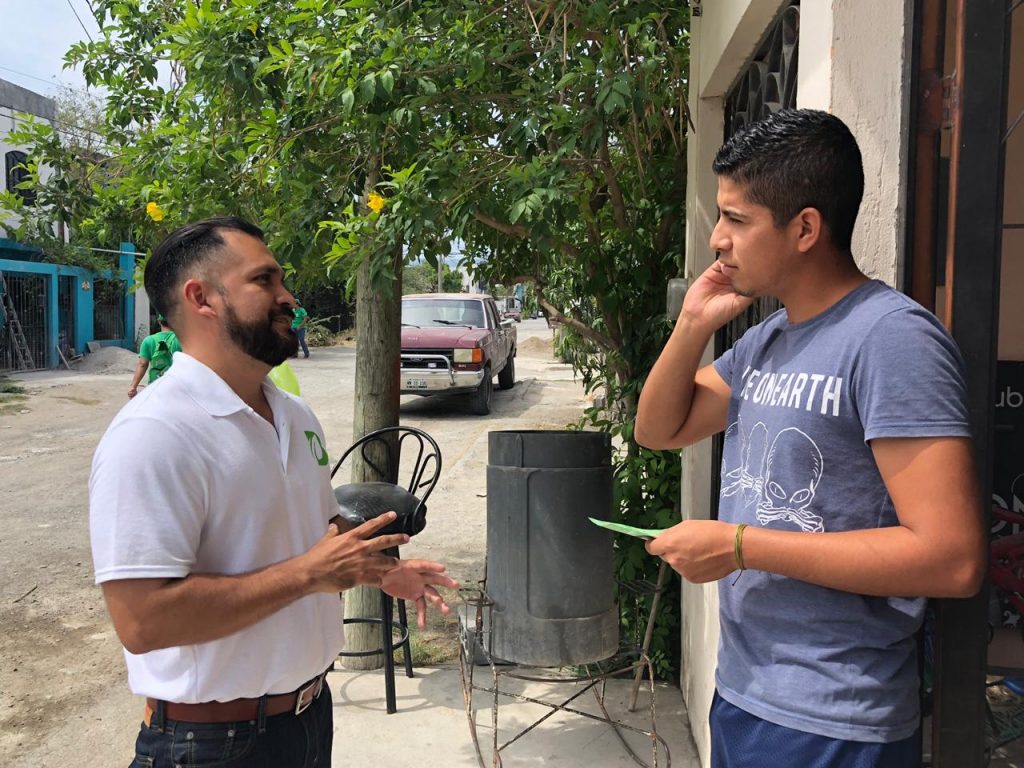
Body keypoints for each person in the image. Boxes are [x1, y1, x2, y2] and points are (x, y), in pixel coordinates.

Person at [634, 109, 985, 768]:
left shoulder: (892, 340)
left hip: (836, 715)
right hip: (746, 692)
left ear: (805, 229)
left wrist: (739, 546)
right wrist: (692, 324)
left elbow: (951, 559)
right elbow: (658, 429)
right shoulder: (770, 338)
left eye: (736, 219)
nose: (717, 239)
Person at [89, 216, 458, 768]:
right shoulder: (153, 433)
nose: (289, 297)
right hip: (210, 745)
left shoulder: (294, 414)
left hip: (308, 718)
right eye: (264, 281)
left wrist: (384, 572)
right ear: (201, 298)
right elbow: (143, 622)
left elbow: (320, 527)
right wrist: (308, 574)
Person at [127, 315, 181, 398]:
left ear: (159, 322)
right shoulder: (181, 340)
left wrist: (133, 386)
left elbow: (142, 364)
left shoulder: (149, 340)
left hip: (155, 385)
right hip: (176, 386)